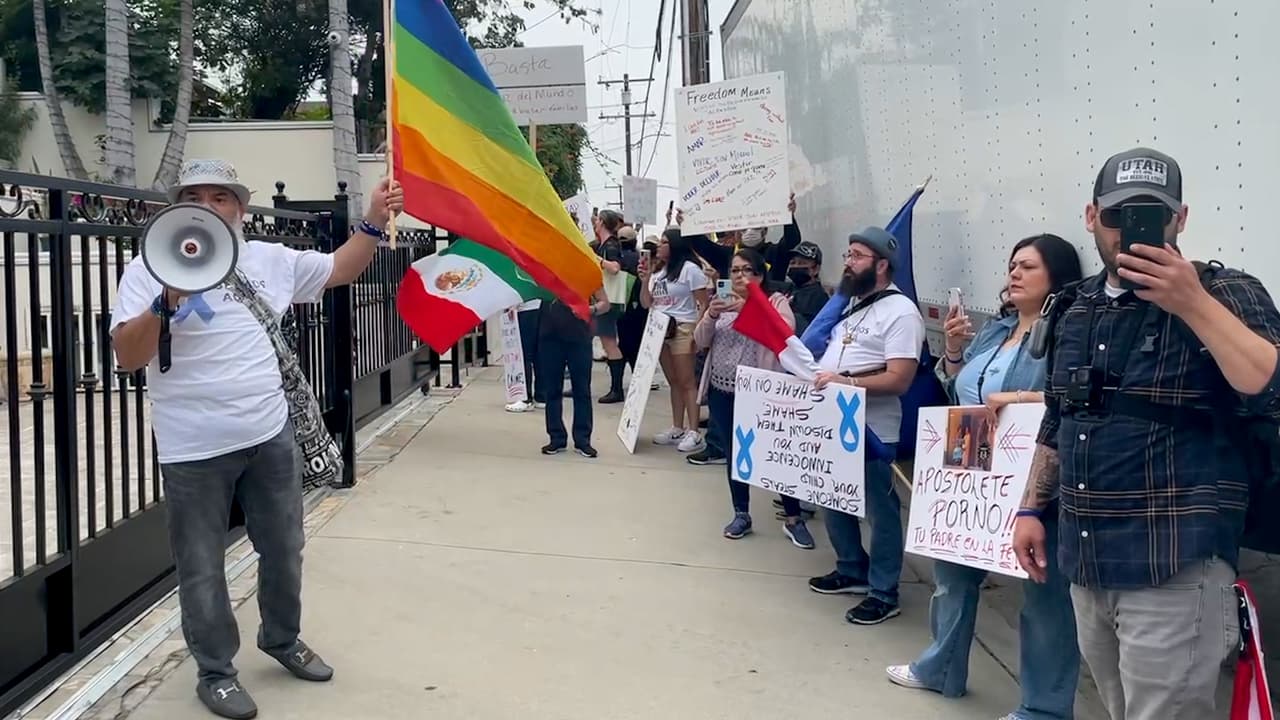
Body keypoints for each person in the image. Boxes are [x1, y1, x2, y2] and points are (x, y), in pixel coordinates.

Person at [109, 159, 403, 720]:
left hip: (268, 436)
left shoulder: (268, 259)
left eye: (221, 197)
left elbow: (340, 270)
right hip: (192, 449)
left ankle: (282, 638)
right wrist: (166, 297)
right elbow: (128, 356)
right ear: (178, 209)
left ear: (239, 210)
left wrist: (369, 220)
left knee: (284, 549)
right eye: (194, 196)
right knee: (201, 565)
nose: (208, 205)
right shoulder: (146, 270)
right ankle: (216, 671)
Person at [1012, 147, 1280, 720]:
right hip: (1087, 560)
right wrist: (1031, 509)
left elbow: (1267, 385)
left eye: (1150, 215)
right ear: (1090, 217)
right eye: (1116, 216)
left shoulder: (1226, 292)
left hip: (1175, 561)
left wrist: (1192, 303)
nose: (1128, 231)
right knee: (1121, 709)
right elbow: (1060, 417)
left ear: (1179, 220)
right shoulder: (1074, 306)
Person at [886, 234, 1084, 720]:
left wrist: (1015, 399)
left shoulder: (1068, 332)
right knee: (951, 575)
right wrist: (954, 351)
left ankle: (1043, 709)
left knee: (1043, 596)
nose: (1013, 274)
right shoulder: (997, 329)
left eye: (1028, 267)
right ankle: (941, 670)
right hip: (973, 473)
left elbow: (1076, 400)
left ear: (1056, 276)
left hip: (1035, 480)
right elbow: (962, 391)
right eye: (1012, 264)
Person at [807, 227, 925, 625]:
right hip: (833, 422)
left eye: (857, 255)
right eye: (848, 253)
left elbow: (899, 379)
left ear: (882, 264)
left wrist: (848, 383)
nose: (848, 261)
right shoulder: (848, 305)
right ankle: (851, 567)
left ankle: (883, 590)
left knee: (880, 511)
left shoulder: (901, 313)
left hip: (872, 430)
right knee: (832, 497)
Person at [693, 248, 817, 548]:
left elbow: (785, 332)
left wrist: (748, 309)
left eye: (747, 270)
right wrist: (711, 314)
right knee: (737, 453)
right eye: (734, 270)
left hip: (762, 393)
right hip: (723, 390)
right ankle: (741, 513)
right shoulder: (719, 302)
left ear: (760, 275)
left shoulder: (775, 302)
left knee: (776, 452)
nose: (739, 276)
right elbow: (699, 340)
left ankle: (793, 517)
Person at [640, 227, 710, 452]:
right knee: (674, 381)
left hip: (683, 328)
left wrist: (698, 333)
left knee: (687, 381)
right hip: (661, 330)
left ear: (675, 245)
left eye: (664, 242)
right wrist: (645, 280)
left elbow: (703, 304)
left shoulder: (691, 270)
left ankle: (694, 430)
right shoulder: (659, 272)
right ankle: (677, 426)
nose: (659, 246)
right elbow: (646, 303)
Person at [538, 288, 611, 458]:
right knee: (552, 390)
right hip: (549, 337)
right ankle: (556, 437)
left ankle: (583, 439)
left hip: (579, 337)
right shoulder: (547, 271)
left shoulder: (587, 272)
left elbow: (605, 303)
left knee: (582, 390)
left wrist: (591, 309)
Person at [593, 209, 628, 403]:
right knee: (608, 343)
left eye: (598, 220)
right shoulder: (605, 244)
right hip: (607, 298)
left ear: (604, 222)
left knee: (609, 344)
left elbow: (615, 268)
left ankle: (616, 389)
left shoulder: (611, 245)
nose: (595, 223)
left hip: (609, 299)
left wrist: (598, 260)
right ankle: (615, 388)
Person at [783, 240, 830, 336]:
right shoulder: (790, 288)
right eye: (793, 262)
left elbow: (804, 329)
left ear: (815, 269)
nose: (795, 266)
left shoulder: (817, 297)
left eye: (801, 263)